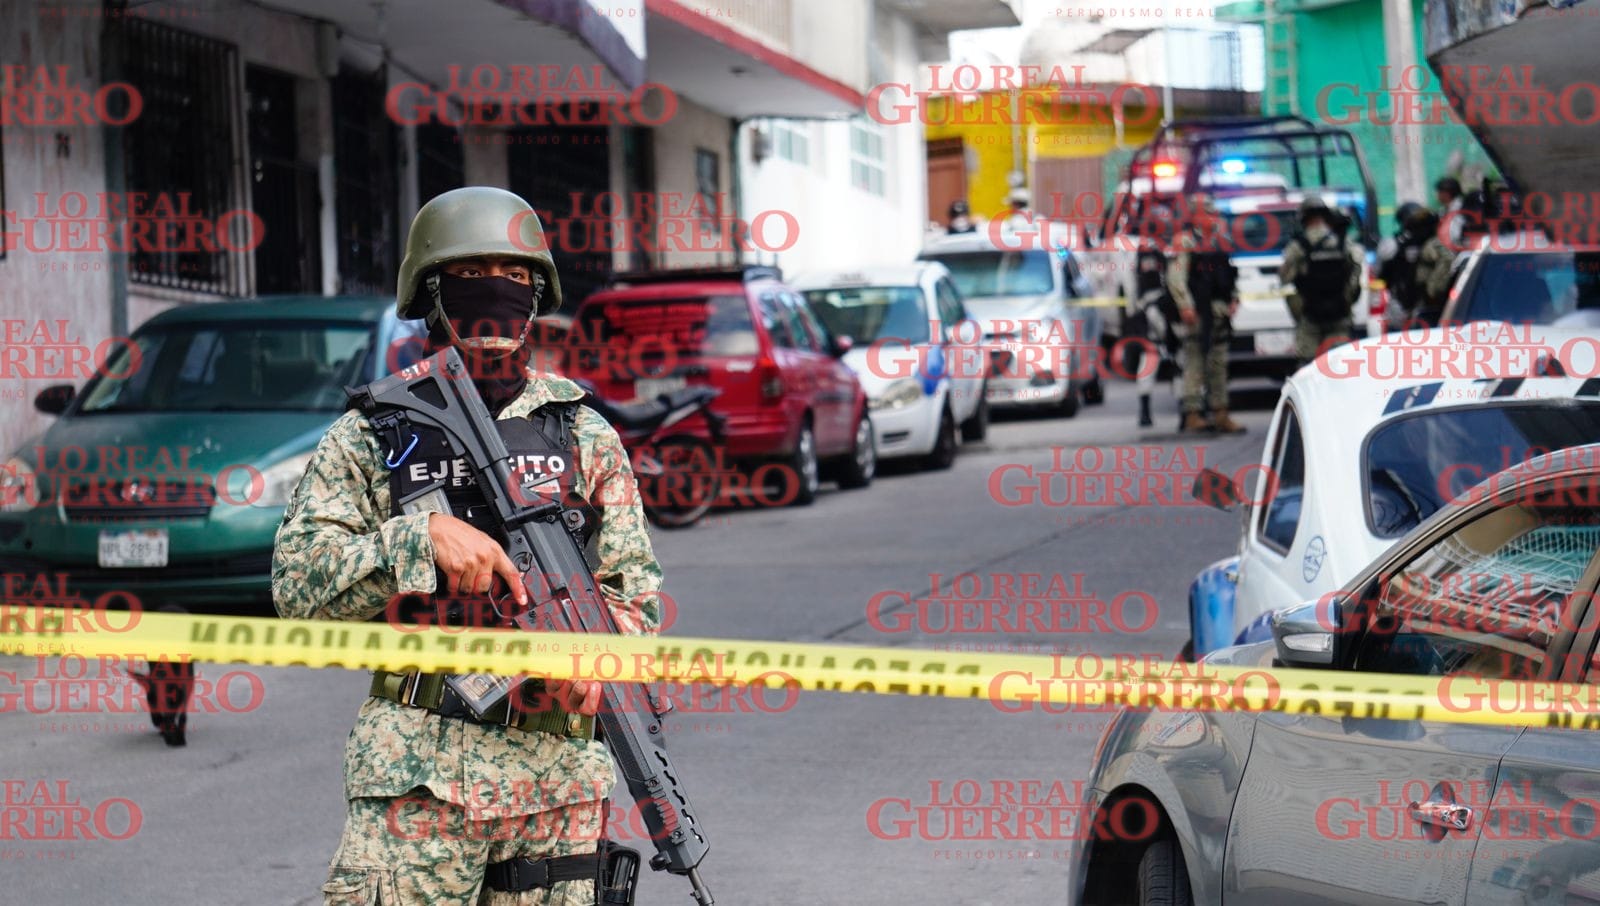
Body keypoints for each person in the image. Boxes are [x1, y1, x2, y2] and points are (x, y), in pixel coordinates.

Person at [272, 186, 663, 905]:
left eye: (514, 275)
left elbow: (633, 592)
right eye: (472, 272)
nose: (495, 290)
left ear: (537, 294)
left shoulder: (583, 433)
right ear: (432, 290)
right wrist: (415, 539)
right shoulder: (376, 431)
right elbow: (297, 588)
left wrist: (609, 657)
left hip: (557, 786)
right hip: (418, 777)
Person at [1167, 195, 1243, 434]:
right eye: (1208, 213)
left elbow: (1229, 274)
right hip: (1198, 313)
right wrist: (1185, 305)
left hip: (1219, 312)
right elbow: (1176, 277)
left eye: (1214, 213)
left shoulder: (1219, 241)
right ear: (1195, 215)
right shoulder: (1185, 241)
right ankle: (1193, 414)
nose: (1214, 217)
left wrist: (1234, 299)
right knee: (1195, 362)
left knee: (1219, 365)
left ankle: (1221, 413)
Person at [1280, 195, 1363, 366]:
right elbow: (1355, 272)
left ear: (1304, 217)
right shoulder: (1343, 242)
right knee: (1338, 366)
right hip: (1340, 315)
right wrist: (1348, 299)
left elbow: (1285, 277)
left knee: (1308, 366)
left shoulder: (1298, 245)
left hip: (1310, 316)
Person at [1405, 205, 1454, 327]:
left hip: (1431, 300)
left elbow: (1447, 259)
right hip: (1421, 296)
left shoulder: (1434, 244)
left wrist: (1432, 289)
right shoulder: (1422, 244)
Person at [1435, 176, 1465, 247]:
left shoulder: (1460, 208)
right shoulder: (1443, 210)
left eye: (1439, 192)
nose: (1437, 195)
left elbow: (1455, 234)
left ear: (1446, 193)